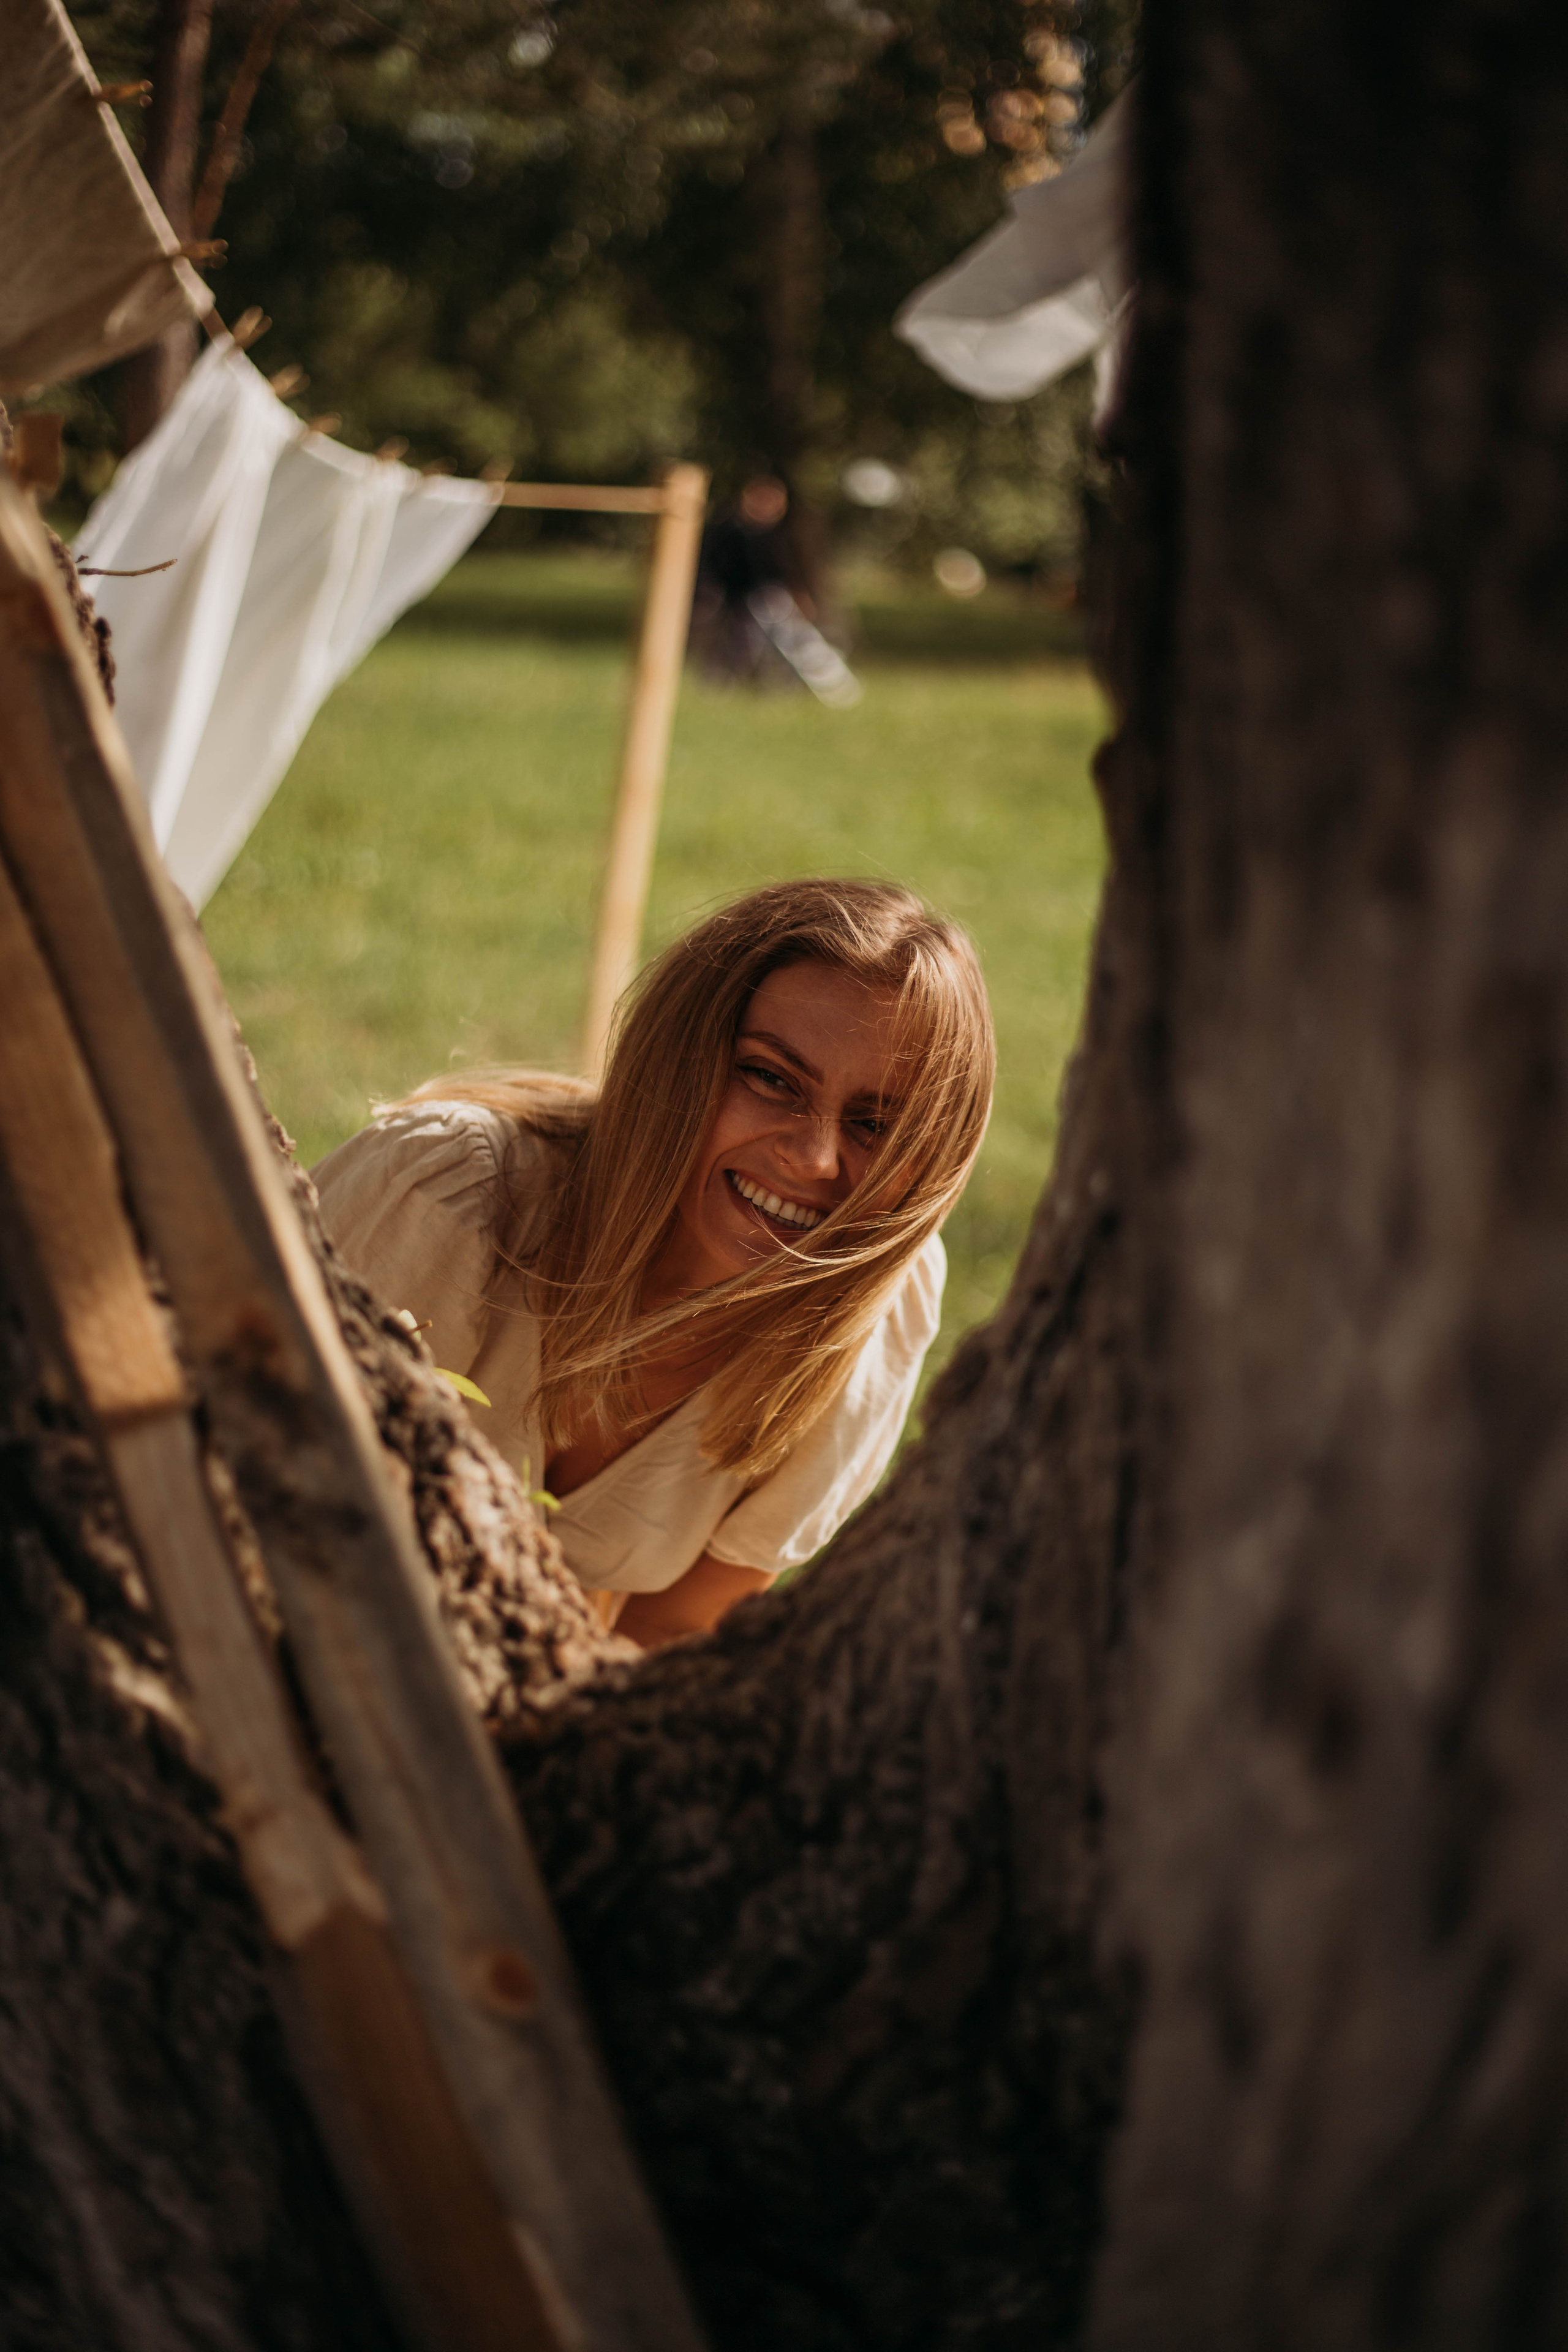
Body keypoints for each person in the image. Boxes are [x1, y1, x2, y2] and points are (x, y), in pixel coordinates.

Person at [312, 879, 994, 1648]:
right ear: (678, 1061)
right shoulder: (441, 1195)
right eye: (771, 1078)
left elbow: (674, 1629)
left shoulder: (867, 1327)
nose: (813, 1158)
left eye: (874, 1125)